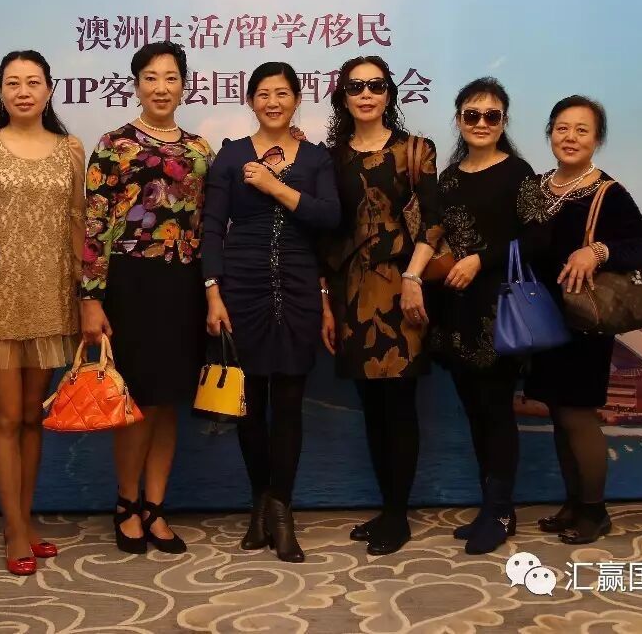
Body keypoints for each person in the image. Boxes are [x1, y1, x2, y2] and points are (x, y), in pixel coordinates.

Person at [202, 62, 340, 563]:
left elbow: (330, 216)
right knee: (249, 406)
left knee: (288, 404)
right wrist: (213, 293)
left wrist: (274, 185)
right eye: (263, 94)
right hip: (242, 288)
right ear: (250, 101)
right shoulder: (231, 155)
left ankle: (281, 510)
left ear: (297, 99)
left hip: (299, 288)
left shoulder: (318, 158)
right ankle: (260, 502)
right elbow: (211, 227)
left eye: (282, 93)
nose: (273, 102)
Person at [80, 41, 213, 555]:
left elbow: (208, 224)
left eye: (171, 77)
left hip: (183, 284)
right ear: (136, 85)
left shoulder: (200, 150)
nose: (161, 87)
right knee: (135, 401)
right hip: (130, 284)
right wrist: (91, 298)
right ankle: (126, 503)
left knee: (167, 402)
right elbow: (95, 225)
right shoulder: (114, 144)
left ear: (184, 85)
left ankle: (156, 507)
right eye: (151, 77)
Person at [0, 50, 85, 576]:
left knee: (35, 417)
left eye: (33, 82)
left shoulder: (70, 148)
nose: (23, 91)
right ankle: (12, 527)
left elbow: (78, 223)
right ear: (1, 91)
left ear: (50, 89)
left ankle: (26, 518)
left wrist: (86, 292)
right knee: (7, 418)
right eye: (13, 83)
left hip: (54, 296)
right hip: (0, 298)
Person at [517, 95, 642, 544]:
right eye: (562, 128)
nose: (570, 137)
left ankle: (595, 512)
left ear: (597, 139)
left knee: (578, 415)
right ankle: (573, 503)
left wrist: (597, 251)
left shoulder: (608, 193)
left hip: (584, 322)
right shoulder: (535, 187)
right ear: (549, 134)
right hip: (541, 318)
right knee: (558, 414)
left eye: (582, 130)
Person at [322, 55, 443, 556]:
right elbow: (326, 234)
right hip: (351, 292)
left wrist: (413, 277)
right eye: (356, 87)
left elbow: (434, 221)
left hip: (401, 287)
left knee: (399, 404)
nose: (366, 94)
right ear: (343, 97)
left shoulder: (415, 150)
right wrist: (326, 302)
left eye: (375, 85)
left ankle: (398, 516)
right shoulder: (330, 158)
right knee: (371, 406)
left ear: (389, 93)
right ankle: (386, 508)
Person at [426, 78, 535, 554]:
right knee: (473, 411)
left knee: (496, 412)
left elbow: (536, 240)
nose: (482, 123)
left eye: (492, 115)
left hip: (500, 309)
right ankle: (489, 506)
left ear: (504, 121)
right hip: (455, 309)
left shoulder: (518, 173)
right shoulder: (449, 178)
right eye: (472, 114)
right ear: (459, 120)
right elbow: (433, 235)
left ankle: (501, 511)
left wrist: (480, 260)